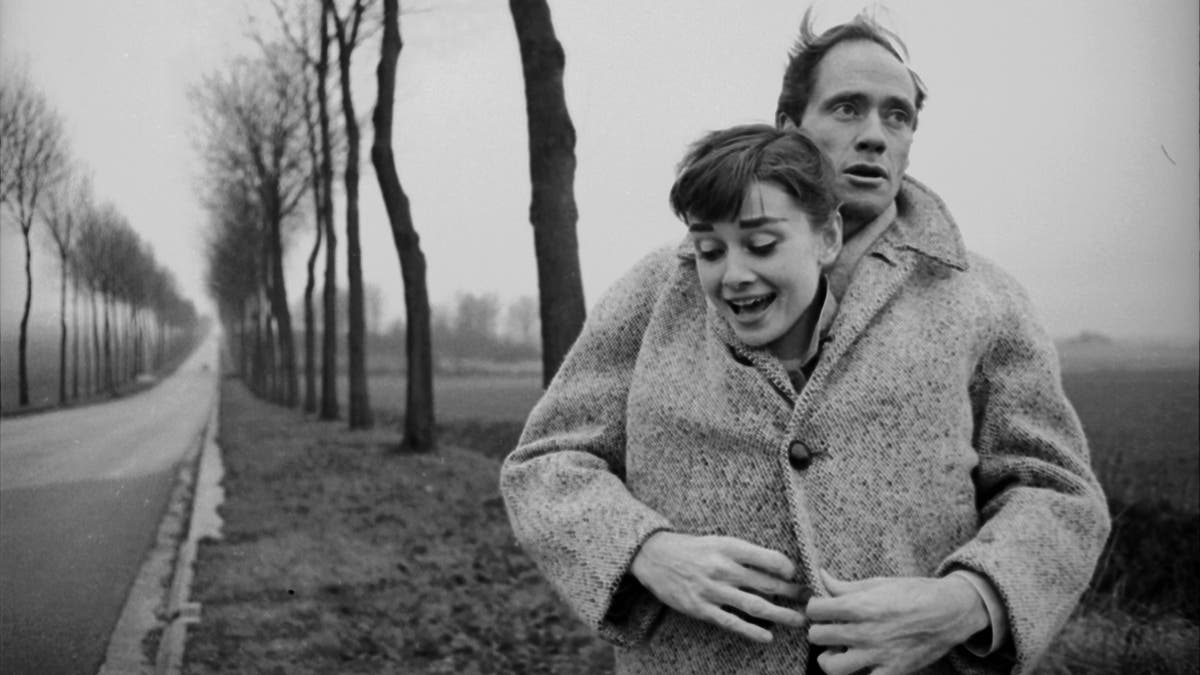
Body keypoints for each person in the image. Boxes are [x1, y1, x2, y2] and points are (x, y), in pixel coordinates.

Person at [501, 9, 1110, 674]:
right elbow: (546, 462)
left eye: (897, 115)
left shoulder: (985, 300)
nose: (875, 135)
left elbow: (1059, 495)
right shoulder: (663, 286)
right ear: (790, 127)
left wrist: (967, 600)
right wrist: (645, 549)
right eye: (848, 108)